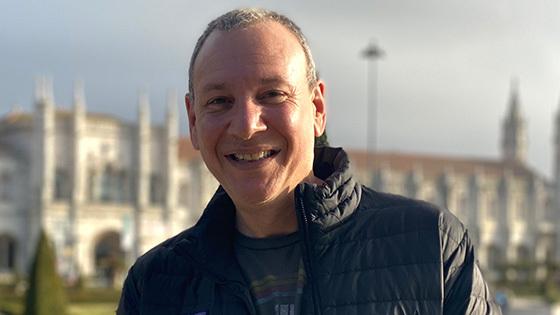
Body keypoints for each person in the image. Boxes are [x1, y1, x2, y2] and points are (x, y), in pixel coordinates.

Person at [117, 8, 501, 315]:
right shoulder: (154, 285)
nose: (247, 127)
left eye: (272, 94)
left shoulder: (432, 246)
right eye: (219, 101)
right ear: (194, 121)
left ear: (317, 109)